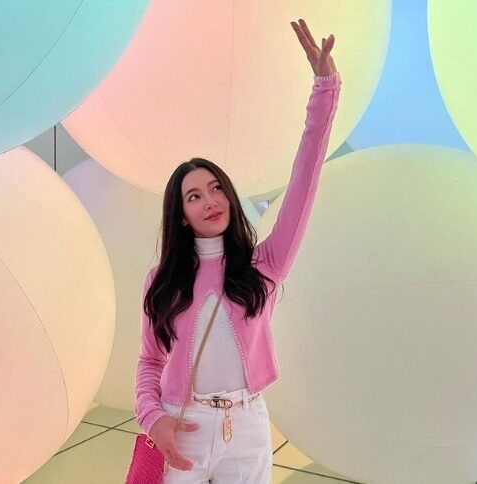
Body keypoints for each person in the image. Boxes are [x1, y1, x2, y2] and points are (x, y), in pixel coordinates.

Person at [134, 18, 341, 483]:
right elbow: (149, 362)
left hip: (246, 427)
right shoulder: (162, 281)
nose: (210, 201)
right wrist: (154, 419)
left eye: (216, 188)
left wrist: (324, 90)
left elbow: (305, 179)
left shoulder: (265, 264)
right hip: (181, 425)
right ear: (180, 215)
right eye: (194, 196)